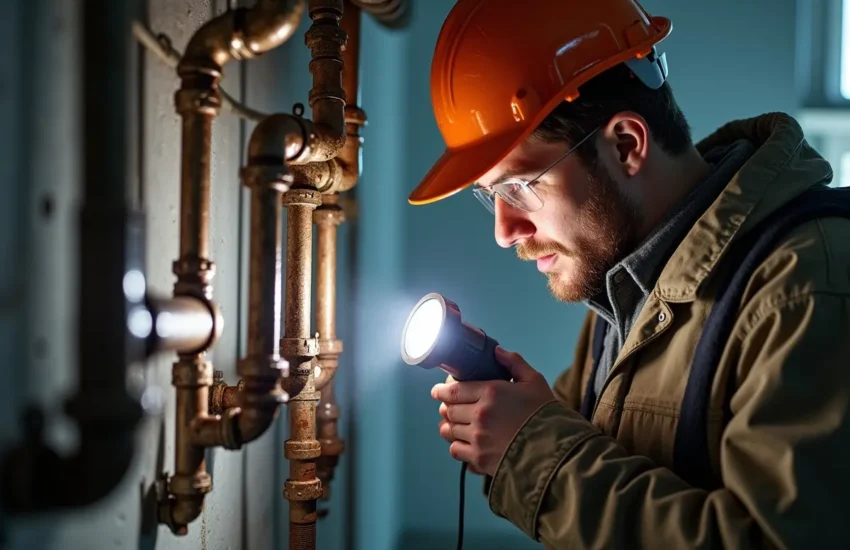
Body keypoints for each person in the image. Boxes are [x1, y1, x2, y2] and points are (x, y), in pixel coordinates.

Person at [409, 1, 850, 548]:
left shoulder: (806, 285)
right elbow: (590, 446)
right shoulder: (625, 283)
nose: (504, 230)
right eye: (489, 196)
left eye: (520, 187)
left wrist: (531, 452)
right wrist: (512, 423)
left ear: (626, 145)